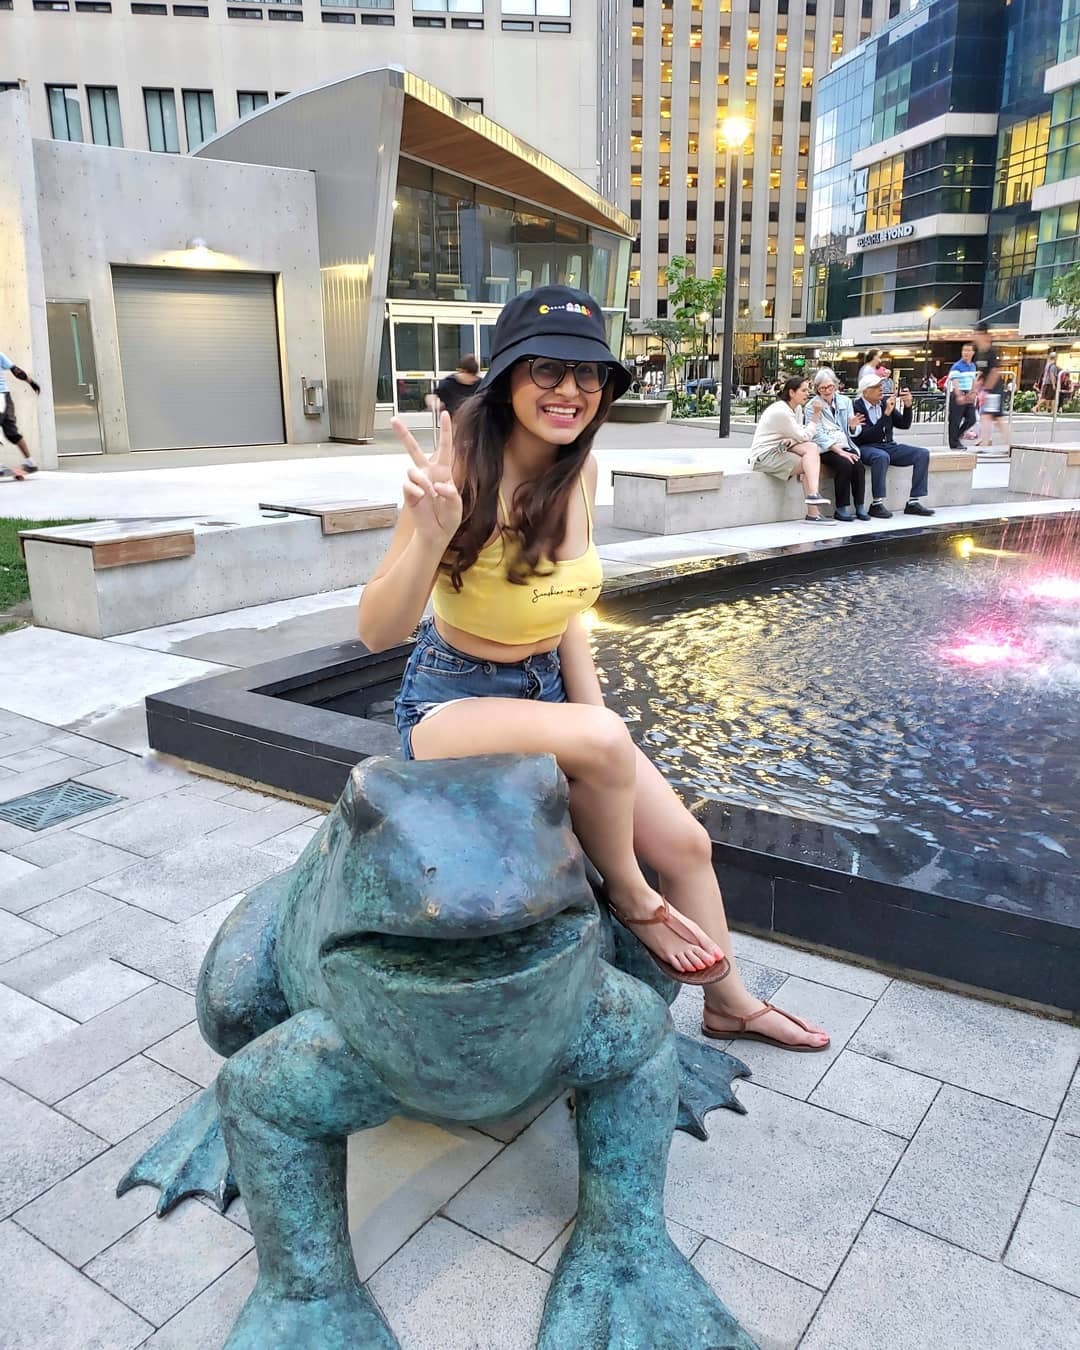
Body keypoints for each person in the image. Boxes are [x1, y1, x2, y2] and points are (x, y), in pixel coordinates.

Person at [359, 285, 829, 1052]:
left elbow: (567, 611)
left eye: (589, 373)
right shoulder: (456, 476)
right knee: (609, 749)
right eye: (547, 369)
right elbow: (376, 631)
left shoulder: (581, 470)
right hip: (451, 703)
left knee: (688, 845)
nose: (571, 390)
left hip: (545, 692)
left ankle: (730, 1004)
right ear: (507, 377)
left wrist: (594, 723)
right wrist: (429, 534)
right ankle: (630, 899)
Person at [749, 375, 835, 524]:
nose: (807, 393)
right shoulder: (782, 411)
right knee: (810, 462)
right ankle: (813, 503)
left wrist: (793, 440)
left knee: (812, 450)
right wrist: (815, 416)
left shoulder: (797, 408)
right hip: (764, 456)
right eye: (803, 390)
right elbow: (804, 436)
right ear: (791, 392)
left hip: (781, 449)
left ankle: (813, 504)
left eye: (808, 390)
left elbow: (799, 435)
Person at [850, 371, 935, 519]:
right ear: (865, 391)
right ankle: (876, 504)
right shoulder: (856, 407)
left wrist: (908, 406)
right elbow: (866, 436)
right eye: (876, 386)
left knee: (922, 453)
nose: (881, 389)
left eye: (881, 385)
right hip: (866, 446)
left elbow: (904, 424)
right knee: (881, 456)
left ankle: (913, 502)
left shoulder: (883, 403)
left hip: (888, 445)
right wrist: (886, 415)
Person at [805, 367, 869, 521]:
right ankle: (841, 508)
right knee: (844, 464)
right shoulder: (811, 406)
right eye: (822, 388)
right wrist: (839, 451)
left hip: (844, 444)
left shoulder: (845, 401)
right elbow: (816, 434)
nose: (827, 391)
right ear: (817, 389)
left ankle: (860, 505)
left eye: (830, 386)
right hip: (825, 449)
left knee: (858, 465)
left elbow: (854, 430)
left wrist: (852, 426)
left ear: (835, 385)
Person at [0, 351, 42, 480]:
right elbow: (16, 370)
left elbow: (15, 370)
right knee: (12, 433)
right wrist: (31, 382)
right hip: (5, 397)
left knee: (12, 433)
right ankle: (31, 463)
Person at [972, 323, 1009, 455]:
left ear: (984, 334)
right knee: (996, 418)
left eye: (977, 334)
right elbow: (981, 373)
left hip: (994, 389)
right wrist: (977, 386)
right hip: (986, 389)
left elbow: (995, 371)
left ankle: (986, 443)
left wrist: (987, 389)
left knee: (987, 416)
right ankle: (1008, 444)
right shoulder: (979, 353)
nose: (975, 337)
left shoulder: (991, 352)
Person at [426, 355, 482, 419]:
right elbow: (433, 396)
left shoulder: (480, 384)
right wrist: (433, 402)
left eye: (474, 376)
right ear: (461, 371)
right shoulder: (448, 383)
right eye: (469, 376)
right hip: (453, 420)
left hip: (473, 420)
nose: (472, 379)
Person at [946, 342, 978, 449]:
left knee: (972, 419)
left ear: (973, 352)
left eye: (968, 351)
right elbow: (954, 381)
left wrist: (973, 392)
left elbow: (973, 380)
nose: (966, 353)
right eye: (964, 350)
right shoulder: (957, 366)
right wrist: (958, 394)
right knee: (955, 420)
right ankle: (954, 443)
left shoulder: (972, 366)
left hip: (968, 394)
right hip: (959, 394)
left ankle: (957, 436)